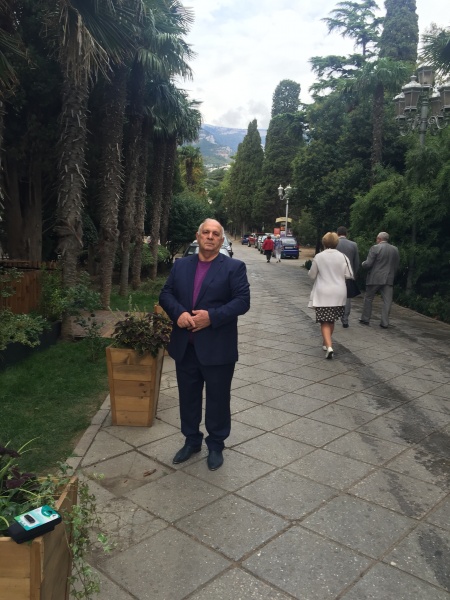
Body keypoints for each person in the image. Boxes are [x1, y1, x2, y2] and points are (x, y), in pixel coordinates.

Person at [159, 218, 250, 471]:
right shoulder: (181, 265)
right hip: (186, 348)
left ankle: (216, 444)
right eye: (206, 232)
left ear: (221, 240)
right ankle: (191, 440)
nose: (210, 237)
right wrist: (178, 313)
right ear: (198, 237)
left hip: (218, 349)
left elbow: (243, 301)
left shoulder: (234, 267)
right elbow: (166, 294)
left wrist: (212, 317)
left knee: (218, 400)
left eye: (215, 234)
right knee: (188, 398)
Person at [308, 232, 353, 359]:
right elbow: (349, 275)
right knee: (331, 319)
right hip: (339, 293)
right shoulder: (343, 257)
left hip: (323, 293)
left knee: (324, 321)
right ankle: (326, 343)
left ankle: (329, 346)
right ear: (336, 243)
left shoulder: (319, 256)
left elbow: (312, 275)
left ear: (324, 242)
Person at [359, 231, 400, 329]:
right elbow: (396, 264)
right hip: (389, 278)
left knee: (369, 298)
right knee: (387, 301)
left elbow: (368, 263)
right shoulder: (395, 249)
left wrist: (363, 264)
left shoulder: (375, 248)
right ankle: (385, 323)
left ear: (379, 239)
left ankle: (365, 318)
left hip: (375, 277)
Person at [336, 226, 360, 328]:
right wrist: (354, 274)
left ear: (337, 233)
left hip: (335, 275)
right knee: (347, 298)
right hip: (348, 275)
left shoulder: (334, 243)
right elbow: (356, 262)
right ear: (346, 234)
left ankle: (332, 316)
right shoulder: (353, 245)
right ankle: (345, 320)